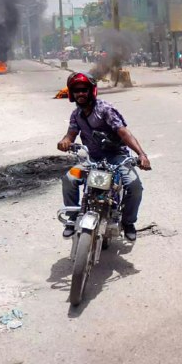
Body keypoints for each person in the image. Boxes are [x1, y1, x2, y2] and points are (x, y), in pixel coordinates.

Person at [57, 72, 151, 241]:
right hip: (91, 159)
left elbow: (124, 133)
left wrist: (141, 155)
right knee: (69, 179)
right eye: (77, 90)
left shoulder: (105, 110)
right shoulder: (76, 115)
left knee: (135, 186)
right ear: (72, 93)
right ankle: (71, 220)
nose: (80, 94)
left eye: (84, 90)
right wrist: (65, 141)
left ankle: (128, 222)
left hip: (117, 157)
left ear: (91, 91)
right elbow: (71, 134)